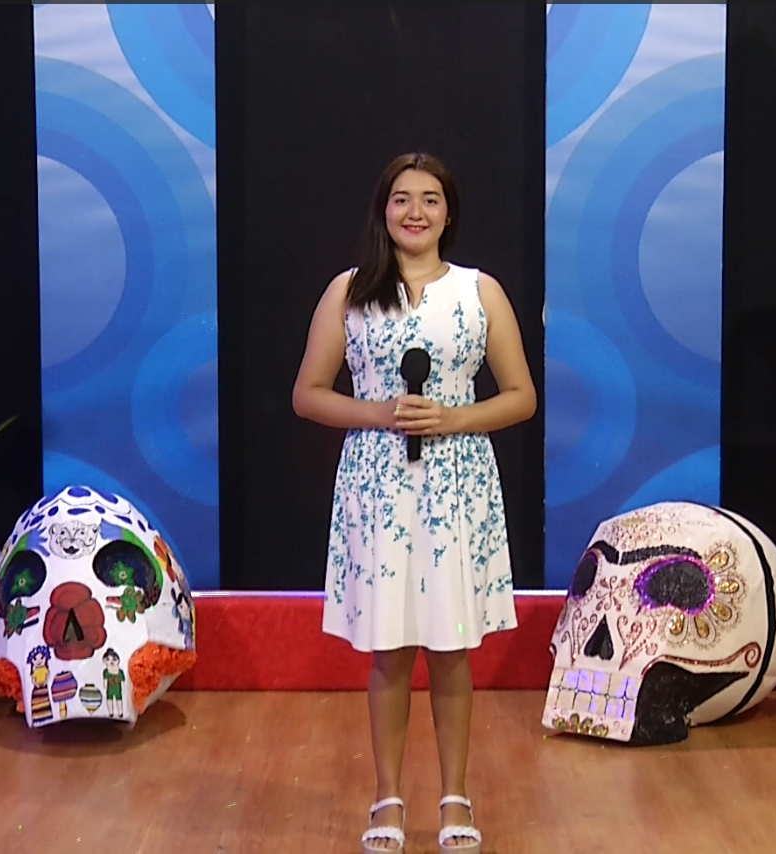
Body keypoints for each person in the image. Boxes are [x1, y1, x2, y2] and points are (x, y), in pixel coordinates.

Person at [292, 153, 537, 854]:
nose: (416, 211)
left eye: (430, 199)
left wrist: (452, 419)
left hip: (456, 485)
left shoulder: (479, 292)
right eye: (402, 198)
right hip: (379, 488)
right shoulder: (350, 292)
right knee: (390, 651)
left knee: (452, 649)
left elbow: (521, 396)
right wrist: (379, 413)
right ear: (384, 209)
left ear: (448, 213)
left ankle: (456, 795)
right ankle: (388, 799)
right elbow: (308, 394)